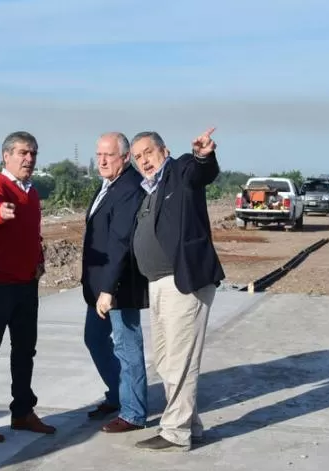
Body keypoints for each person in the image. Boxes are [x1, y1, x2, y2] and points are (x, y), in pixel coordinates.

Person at [128, 129, 223, 452]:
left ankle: (175, 431)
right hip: (157, 284)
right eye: (138, 157)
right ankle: (191, 425)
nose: (144, 160)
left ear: (164, 151)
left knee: (180, 359)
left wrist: (202, 155)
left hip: (183, 280)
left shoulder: (180, 171)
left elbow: (202, 172)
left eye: (148, 153)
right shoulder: (149, 191)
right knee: (167, 361)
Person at [0, 132, 55, 442]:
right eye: (22, 153)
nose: (29, 159)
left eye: (33, 153)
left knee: (24, 351)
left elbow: (34, 233)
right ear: (6, 156)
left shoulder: (31, 193)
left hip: (25, 284)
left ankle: (22, 412)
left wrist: (39, 259)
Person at [81, 132, 149, 433]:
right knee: (94, 339)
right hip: (100, 288)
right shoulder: (109, 185)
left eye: (109, 155)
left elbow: (120, 241)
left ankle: (133, 412)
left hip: (118, 285)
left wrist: (108, 289)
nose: (102, 161)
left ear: (125, 157)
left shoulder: (130, 188)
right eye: (98, 155)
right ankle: (117, 393)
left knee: (126, 345)